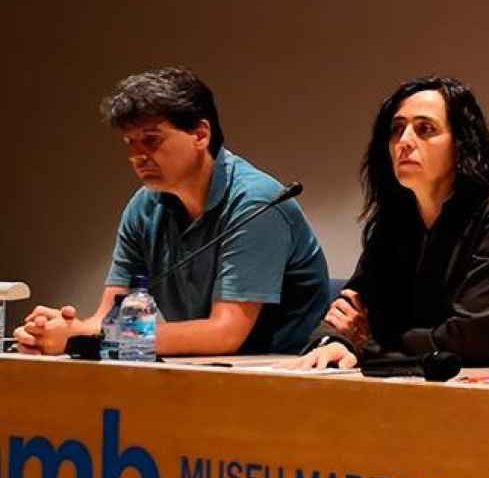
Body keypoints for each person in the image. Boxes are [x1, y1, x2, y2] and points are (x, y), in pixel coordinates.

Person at [13, 67, 329, 355]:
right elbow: (108, 319)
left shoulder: (256, 202)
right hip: (205, 369)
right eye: (130, 143)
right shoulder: (144, 205)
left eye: (151, 140)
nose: (137, 156)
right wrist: (57, 331)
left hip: (284, 372)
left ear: (200, 135)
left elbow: (225, 333)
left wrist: (83, 338)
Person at [291, 76, 489, 369]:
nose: (404, 141)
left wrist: (369, 344)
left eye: (425, 129)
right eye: (397, 129)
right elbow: (350, 306)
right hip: (407, 382)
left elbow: (470, 341)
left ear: (460, 143)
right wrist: (334, 342)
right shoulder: (396, 219)